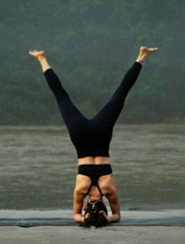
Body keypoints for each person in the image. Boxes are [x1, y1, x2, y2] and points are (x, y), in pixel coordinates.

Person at [30, 47, 158, 226]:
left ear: (104, 208)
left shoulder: (109, 189)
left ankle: (142, 56)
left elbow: (117, 216)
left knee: (121, 94)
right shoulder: (81, 190)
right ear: (85, 208)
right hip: (81, 138)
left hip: (101, 135)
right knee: (61, 97)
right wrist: (84, 219)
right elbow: (75, 217)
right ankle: (42, 59)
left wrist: (107, 218)